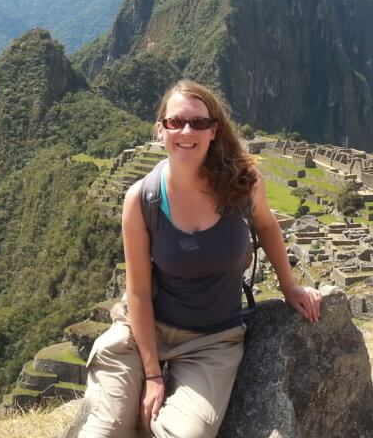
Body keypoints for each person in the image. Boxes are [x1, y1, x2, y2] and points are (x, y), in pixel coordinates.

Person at [77, 80, 322, 438]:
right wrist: (152, 375)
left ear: (213, 130)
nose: (186, 131)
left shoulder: (243, 184)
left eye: (198, 123)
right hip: (140, 334)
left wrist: (289, 286)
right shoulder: (141, 200)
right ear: (161, 129)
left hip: (212, 342)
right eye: (176, 122)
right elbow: (139, 294)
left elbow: (267, 224)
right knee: (104, 432)